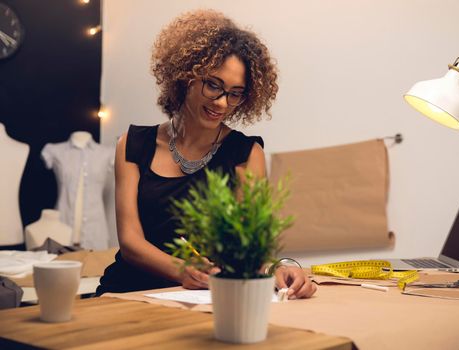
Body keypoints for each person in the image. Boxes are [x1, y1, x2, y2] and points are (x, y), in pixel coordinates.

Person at [96, 9, 317, 299]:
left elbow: (247, 248)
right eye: (214, 85)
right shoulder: (133, 143)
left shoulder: (245, 154)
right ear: (187, 75)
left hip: (201, 300)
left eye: (235, 93)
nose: (223, 103)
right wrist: (182, 270)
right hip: (126, 292)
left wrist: (282, 267)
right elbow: (130, 242)